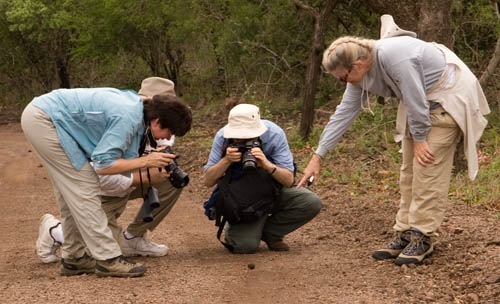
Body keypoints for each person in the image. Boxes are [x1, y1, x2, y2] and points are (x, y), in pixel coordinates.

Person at [297, 15, 490, 266]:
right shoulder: (360, 75)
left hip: (446, 102)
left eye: (342, 78)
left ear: (357, 64)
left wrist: (420, 139)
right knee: (408, 172)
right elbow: (342, 115)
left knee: (428, 169)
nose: (343, 83)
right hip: (420, 107)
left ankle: (423, 236)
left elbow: (416, 97)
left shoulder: (396, 57)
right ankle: (406, 232)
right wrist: (318, 156)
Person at [21, 77, 192, 277]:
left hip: (50, 119)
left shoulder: (137, 116)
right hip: (45, 119)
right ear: (156, 121)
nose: (164, 138)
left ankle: (74, 258)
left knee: (71, 193)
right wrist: (147, 162)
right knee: (84, 187)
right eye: (167, 131)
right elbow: (103, 165)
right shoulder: (128, 117)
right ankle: (108, 259)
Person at [203, 104, 323, 253]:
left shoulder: (274, 134)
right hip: (241, 199)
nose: (242, 139)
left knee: (311, 202)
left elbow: (288, 180)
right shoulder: (222, 137)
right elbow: (208, 181)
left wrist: (266, 164)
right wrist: (226, 160)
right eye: (238, 136)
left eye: (247, 137)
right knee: (244, 247)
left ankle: (270, 232)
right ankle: (240, 228)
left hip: (272, 191)